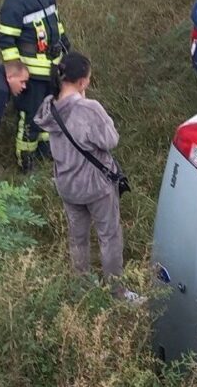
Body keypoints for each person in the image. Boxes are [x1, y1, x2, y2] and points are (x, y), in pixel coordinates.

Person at [34, 52, 143, 303]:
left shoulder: (49, 108)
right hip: (96, 185)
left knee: (78, 237)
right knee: (109, 237)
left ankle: (81, 287)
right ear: (82, 82)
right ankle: (118, 293)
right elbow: (110, 140)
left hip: (67, 185)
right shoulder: (89, 108)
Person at [0, 0, 72, 172]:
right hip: (31, 72)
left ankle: (45, 150)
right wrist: (16, 71)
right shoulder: (15, 2)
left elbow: (55, 22)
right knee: (30, 115)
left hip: (53, 67)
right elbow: (5, 40)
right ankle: (25, 160)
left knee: (51, 111)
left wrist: (64, 39)